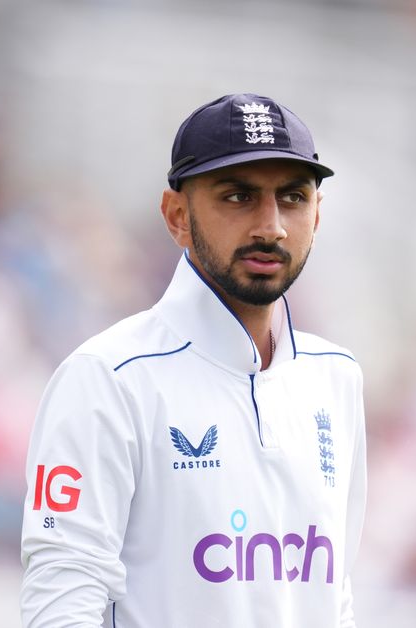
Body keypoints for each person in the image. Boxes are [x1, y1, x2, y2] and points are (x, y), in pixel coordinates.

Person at [20, 93, 368, 627]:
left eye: (293, 197)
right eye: (238, 196)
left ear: (317, 215)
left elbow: (331, 598)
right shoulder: (108, 378)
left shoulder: (336, 376)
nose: (270, 226)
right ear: (177, 216)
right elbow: (62, 599)